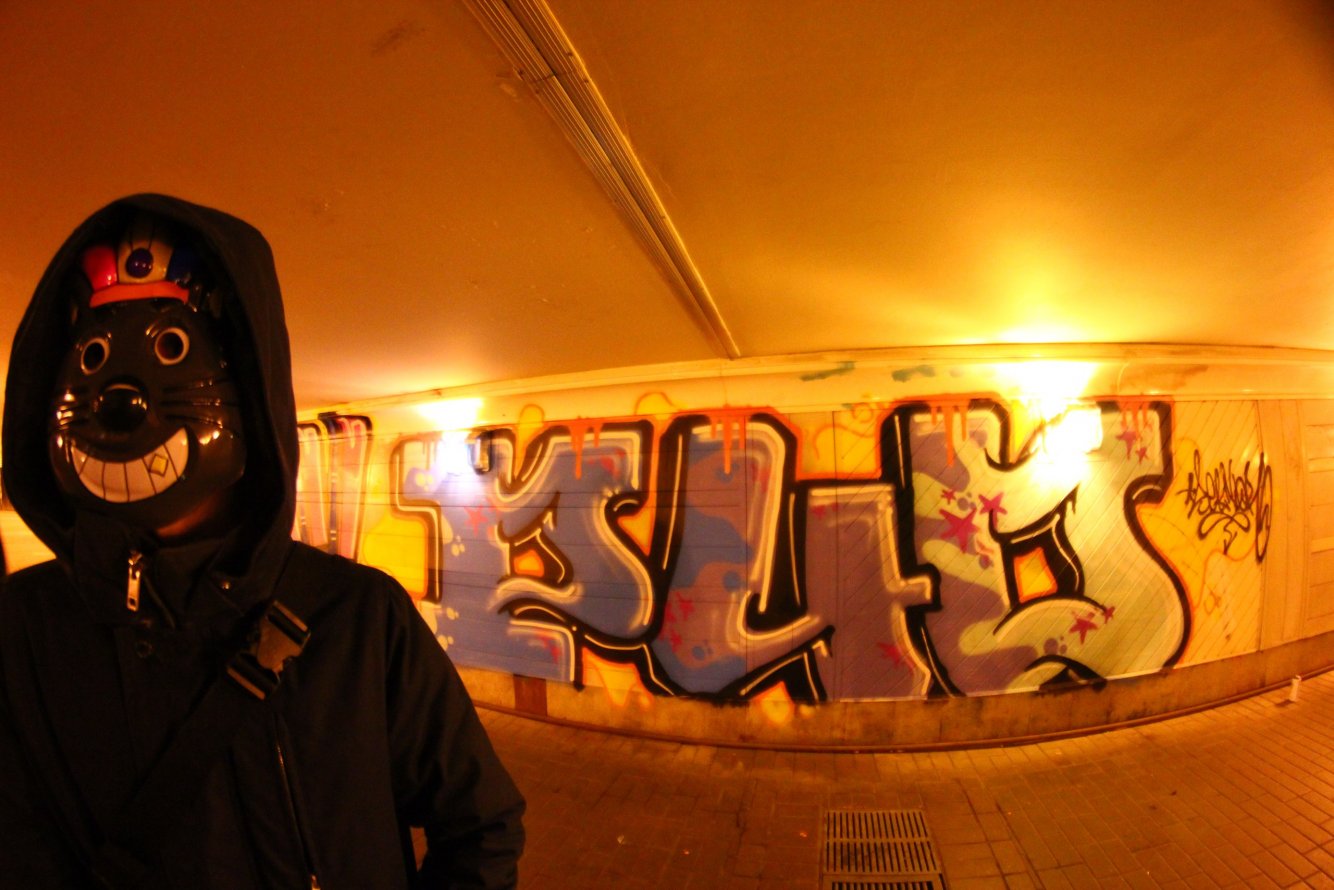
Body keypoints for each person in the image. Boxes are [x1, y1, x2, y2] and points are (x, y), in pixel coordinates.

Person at [0, 194, 525, 888]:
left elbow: (480, 826)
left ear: (249, 388)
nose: (120, 399)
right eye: (94, 356)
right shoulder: (21, 632)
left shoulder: (358, 618)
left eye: (171, 348)